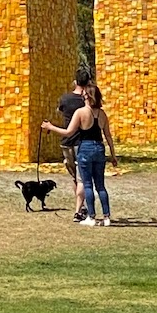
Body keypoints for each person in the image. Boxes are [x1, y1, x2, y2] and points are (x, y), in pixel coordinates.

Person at [42, 83, 117, 226]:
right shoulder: (102, 114)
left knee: (87, 184)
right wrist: (113, 155)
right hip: (99, 148)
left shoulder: (81, 112)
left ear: (87, 96)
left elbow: (68, 132)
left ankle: (92, 217)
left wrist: (50, 127)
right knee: (100, 185)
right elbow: (108, 136)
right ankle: (107, 217)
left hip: (85, 148)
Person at [57, 68, 90, 222]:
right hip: (81, 142)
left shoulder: (65, 99)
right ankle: (80, 209)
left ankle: (80, 205)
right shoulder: (87, 100)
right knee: (82, 177)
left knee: (74, 177)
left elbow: (60, 111)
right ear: (88, 82)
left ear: (75, 82)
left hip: (66, 143)